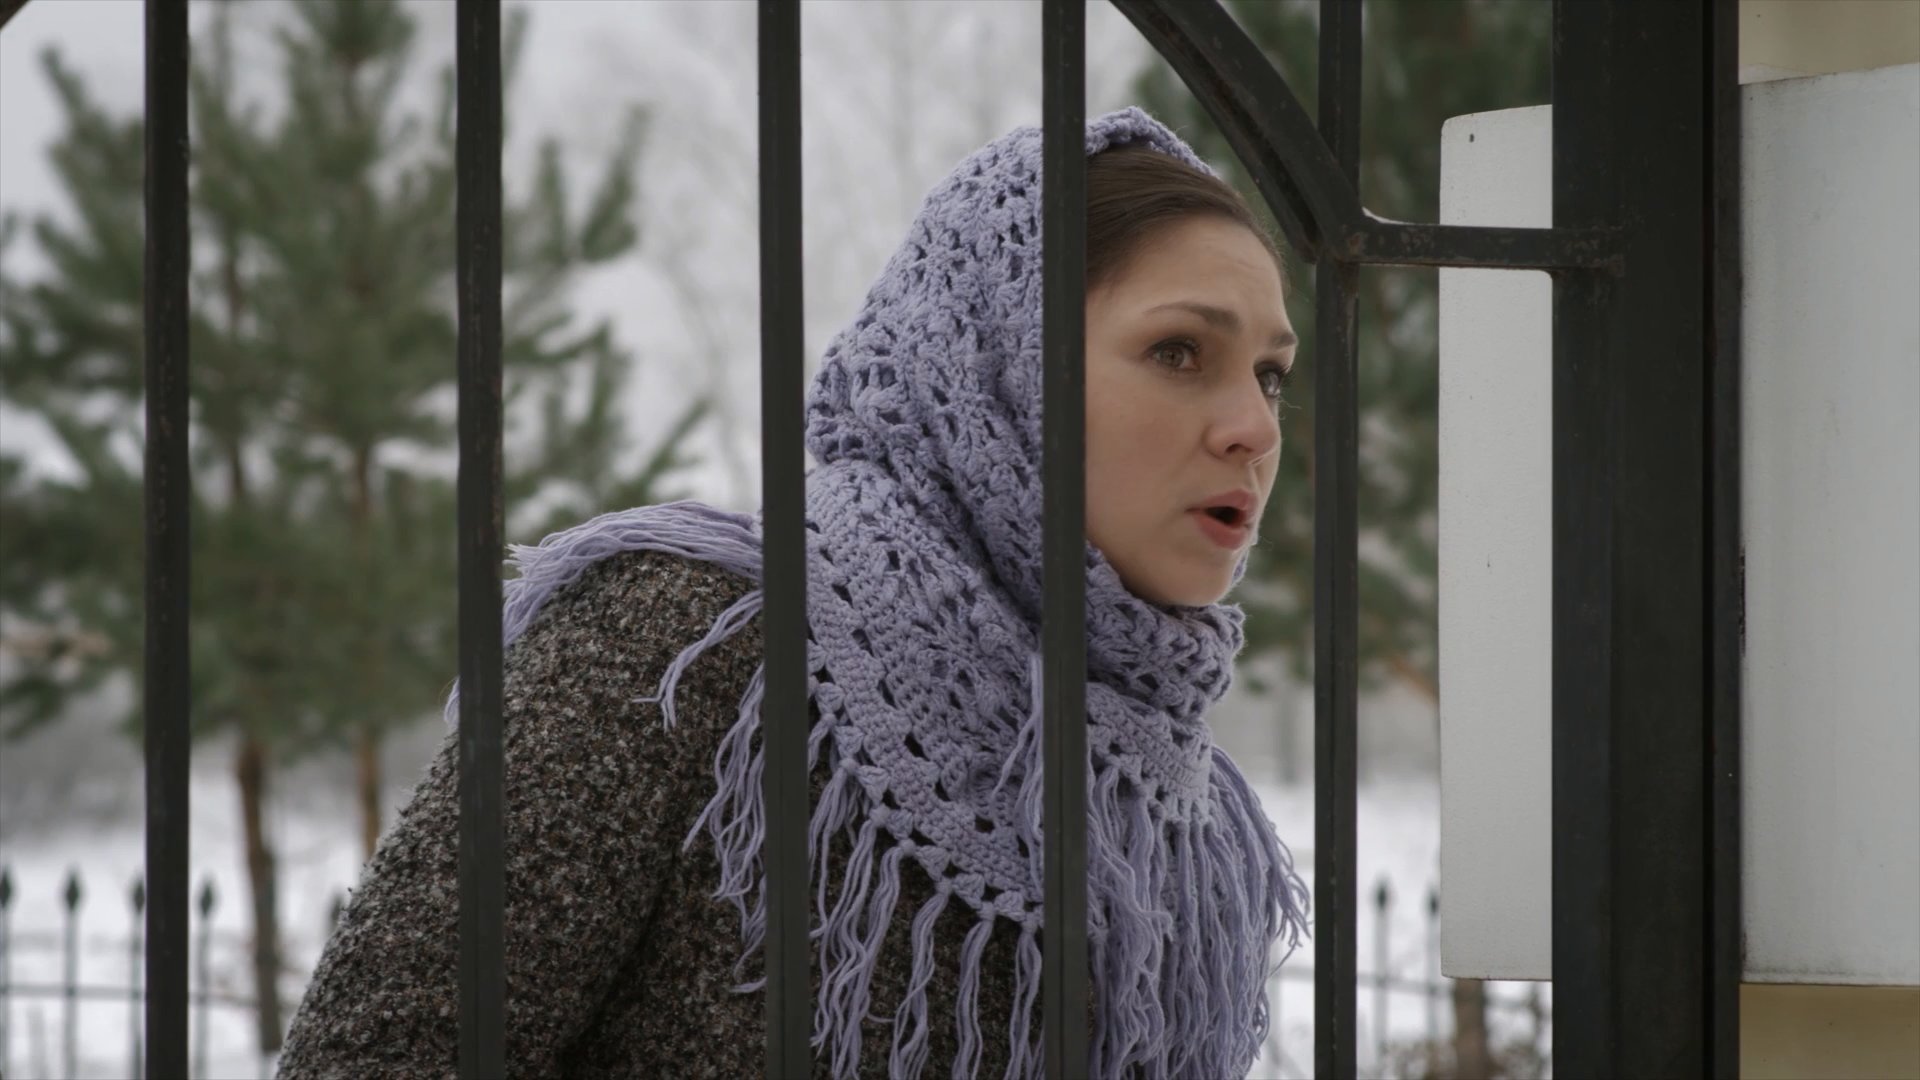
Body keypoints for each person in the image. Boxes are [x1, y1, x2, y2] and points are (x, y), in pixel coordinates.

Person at [276, 106, 1309, 1080]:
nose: (1255, 429)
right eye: (1179, 352)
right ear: (993, 365)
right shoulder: (691, 645)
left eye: (1270, 375)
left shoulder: (1179, 807)